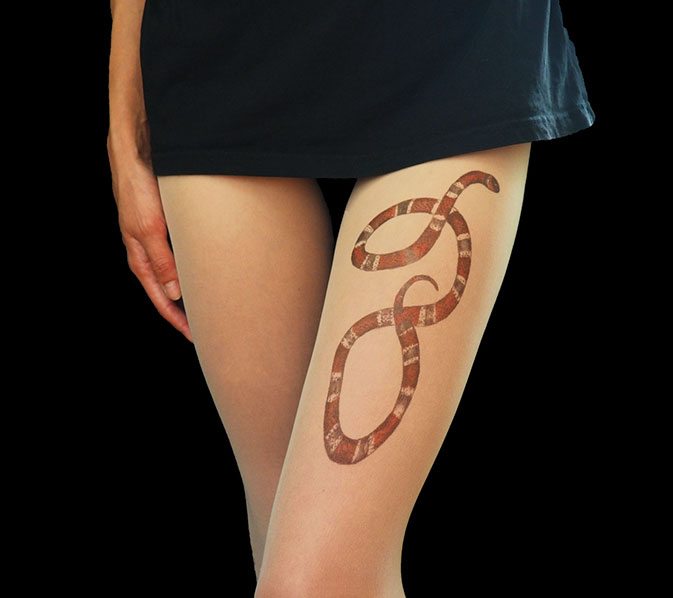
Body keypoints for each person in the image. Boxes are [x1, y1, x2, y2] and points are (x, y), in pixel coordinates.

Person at [107, 2, 594, 596]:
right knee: (279, 537)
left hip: (446, 37)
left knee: (313, 583)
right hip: (217, 44)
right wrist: (124, 107)